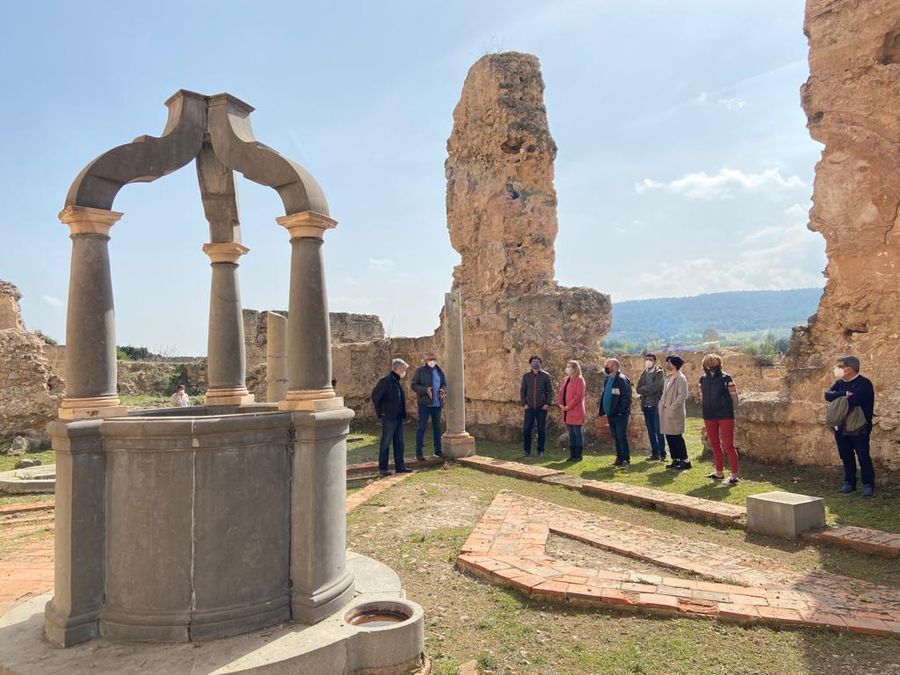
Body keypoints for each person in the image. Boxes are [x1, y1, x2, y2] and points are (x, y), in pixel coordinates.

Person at [825, 356, 876, 498]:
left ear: (849, 369)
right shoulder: (840, 383)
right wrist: (844, 394)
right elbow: (827, 395)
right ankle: (849, 483)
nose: (837, 369)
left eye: (840, 366)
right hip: (841, 426)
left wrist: (840, 398)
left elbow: (855, 400)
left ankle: (868, 485)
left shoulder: (864, 384)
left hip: (859, 427)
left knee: (863, 456)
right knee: (846, 455)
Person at [700, 353, 740, 485]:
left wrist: (732, 412)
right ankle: (719, 472)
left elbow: (734, 397)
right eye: (709, 364)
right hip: (709, 415)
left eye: (714, 363)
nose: (712, 366)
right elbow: (702, 397)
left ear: (719, 364)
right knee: (715, 445)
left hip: (725, 415)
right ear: (705, 365)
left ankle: (734, 475)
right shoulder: (703, 380)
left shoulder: (726, 378)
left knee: (728, 445)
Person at [371, 359, 413, 476]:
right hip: (389, 417)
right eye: (403, 370)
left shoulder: (396, 382)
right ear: (398, 369)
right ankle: (383, 468)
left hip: (398, 417)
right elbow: (375, 396)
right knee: (386, 442)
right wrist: (381, 413)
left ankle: (400, 466)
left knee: (399, 442)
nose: (404, 372)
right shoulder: (386, 381)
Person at [410, 352, 447, 460]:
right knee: (421, 427)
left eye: (433, 359)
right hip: (424, 404)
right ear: (425, 360)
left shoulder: (440, 371)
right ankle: (419, 453)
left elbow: (444, 384)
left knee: (437, 428)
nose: (432, 361)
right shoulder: (420, 371)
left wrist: (443, 390)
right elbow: (413, 385)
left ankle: (438, 451)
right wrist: (425, 390)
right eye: (430, 359)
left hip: (437, 405)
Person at [598, 358, 632, 469]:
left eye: (608, 365)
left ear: (614, 366)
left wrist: (621, 411)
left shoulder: (621, 379)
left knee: (621, 436)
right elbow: (606, 394)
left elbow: (626, 397)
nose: (606, 367)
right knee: (615, 436)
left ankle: (626, 459)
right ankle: (619, 458)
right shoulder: (608, 379)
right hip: (610, 414)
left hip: (620, 415)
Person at [659, 355, 691, 470]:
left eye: (669, 362)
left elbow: (682, 395)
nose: (667, 365)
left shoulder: (681, 378)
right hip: (665, 411)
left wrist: (672, 407)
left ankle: (685, 460)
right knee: (669, 436)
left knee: (677, 437)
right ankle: (675, 459)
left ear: (674, 365)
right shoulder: (668, 378)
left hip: (675, 412)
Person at [521, 355, 554, 457]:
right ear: (530, 363)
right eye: (534, 361)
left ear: (540, 363)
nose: (536, 363)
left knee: (541, 430)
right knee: (526, 429)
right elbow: (523, 391)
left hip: (541, 408)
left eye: (538, 361)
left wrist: (547, 404)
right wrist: (524, 403)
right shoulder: (526, 376)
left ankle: (540, 450)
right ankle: (527, 450)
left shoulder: (545, 376)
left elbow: (550, 391)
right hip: (529, 407)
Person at [636, 353, 666, 461]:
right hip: (646, 406)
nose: (648, 361)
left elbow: (655, 387)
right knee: (650, 431)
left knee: (658, 430)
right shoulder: (644, 373)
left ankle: (662, 453)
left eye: (650, 359)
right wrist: (646, 390)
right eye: (646, 359)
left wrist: (645, 390)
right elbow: (637, 389)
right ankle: (655, 453)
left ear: (655, 361)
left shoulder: (659, 373)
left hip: (656, 406)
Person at [558, 359, 586, 461]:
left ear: (575, 369)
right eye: (567, 366)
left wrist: (568, 406)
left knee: (577, 433)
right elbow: (561, 392)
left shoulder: (580, 380)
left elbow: (578, 396)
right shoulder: (565, 379)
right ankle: (572, 455)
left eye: (570, 366)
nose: (567, 368)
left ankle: (578, 455)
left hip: (576, 411)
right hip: (566, 412)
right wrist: (560, 404)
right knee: (571, 434)